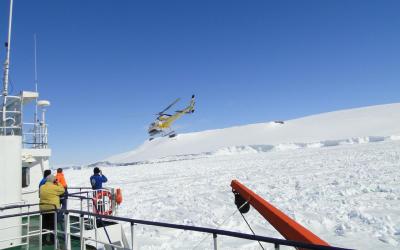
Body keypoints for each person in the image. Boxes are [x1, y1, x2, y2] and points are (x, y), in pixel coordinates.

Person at [39, 175, 65, 245]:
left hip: (43, 209)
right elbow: (62, 190)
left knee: (44, 225)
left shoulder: (42, 187)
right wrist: (58, 182)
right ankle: (52, 240)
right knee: (52, 226)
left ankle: (43, 241)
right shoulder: (54, 187)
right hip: (52, 209)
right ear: (53, 180)